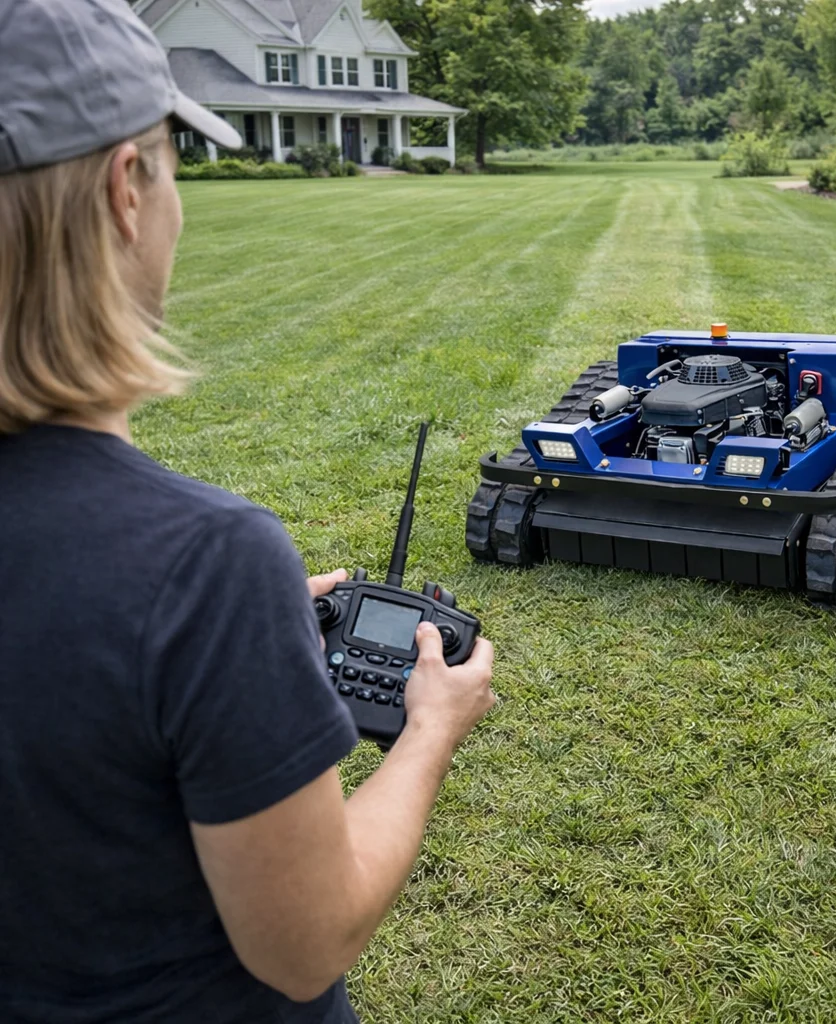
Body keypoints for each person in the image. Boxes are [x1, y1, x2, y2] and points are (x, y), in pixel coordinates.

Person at [0, 1, 496, 1021]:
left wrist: (230, 645)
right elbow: (307, 942)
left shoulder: (196, 586)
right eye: (174, 162)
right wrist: (430, 730)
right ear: (126, 190)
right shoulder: (204, 563)